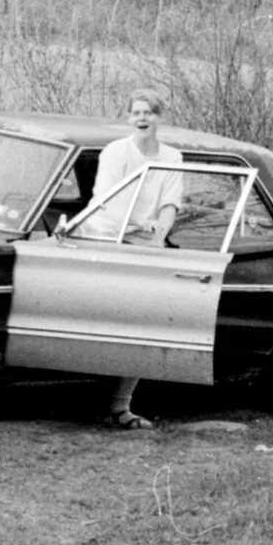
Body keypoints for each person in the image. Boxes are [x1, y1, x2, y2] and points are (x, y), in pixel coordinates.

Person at [91, 89, 183, 430]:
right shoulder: (116, 152)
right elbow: (106, 200)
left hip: (147, 243)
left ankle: (121, 405)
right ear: (129, 118)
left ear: (159, 118)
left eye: (149, 113)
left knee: (145, 321)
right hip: (105, 236)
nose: (142, 118)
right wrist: (138, 224)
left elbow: (170, 202)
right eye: (136, 113)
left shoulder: (172, 157)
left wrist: (159, 235)